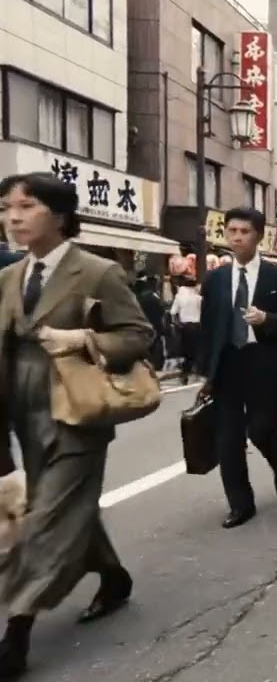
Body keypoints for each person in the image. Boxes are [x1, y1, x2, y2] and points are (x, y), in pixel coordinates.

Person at [0, 172, 153, 676]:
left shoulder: (97, 271)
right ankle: (112, 575)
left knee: (45, 518)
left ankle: (16, 628)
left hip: (78, 406)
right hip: (24, 409)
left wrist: (84, 339)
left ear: (60, 214)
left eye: (26, 206)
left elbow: (137, 335)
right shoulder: (7, 277)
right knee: (61, 506)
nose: (13, 217)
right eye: (6, 208)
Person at [197, 207, 277, 529]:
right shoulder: (214, 279)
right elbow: (209, 327)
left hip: (263, 363)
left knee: (261, 429)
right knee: (228, 439)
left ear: (258, 235)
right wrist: (206, 373)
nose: (238, 238)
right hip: (227, 364)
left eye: (244, 232)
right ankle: (240, 504)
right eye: (232, 231)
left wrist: (267, 320)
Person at [169, 277, 202, 384]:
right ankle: (198, 373)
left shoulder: (179, 296)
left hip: (184, 326)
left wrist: (176, 324)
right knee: (197, 350)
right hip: (197, 326)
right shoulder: (198, 298)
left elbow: (173, 313)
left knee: (187, 351)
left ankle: (185, 373)